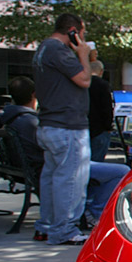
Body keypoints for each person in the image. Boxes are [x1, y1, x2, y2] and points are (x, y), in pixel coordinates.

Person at [2, 76, 129, 237]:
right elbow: (58, 153)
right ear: (35, 95)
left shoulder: (14, 119)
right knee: (121, 170)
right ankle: (94, 211)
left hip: (38, 166)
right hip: (54, 165)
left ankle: (88, 209)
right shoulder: (31, 122)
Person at [31, 14, 92, 245]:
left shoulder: (42, 50)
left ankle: (46, 226)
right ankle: (65, 230)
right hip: (68, 126)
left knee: (51, 178)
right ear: (73, 31)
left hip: (49, 124)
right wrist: (83, 55)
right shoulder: (60, 51)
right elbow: (84, 79)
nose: (83, 38)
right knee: (71, 180)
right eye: (82, 33)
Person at [88, 60, 114, 162]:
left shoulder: (82, 84)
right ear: (101, 71)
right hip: (100, 129)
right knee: (97, 162)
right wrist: (108, 126)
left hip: (84, 127)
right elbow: (107, 108)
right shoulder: (103, 85)